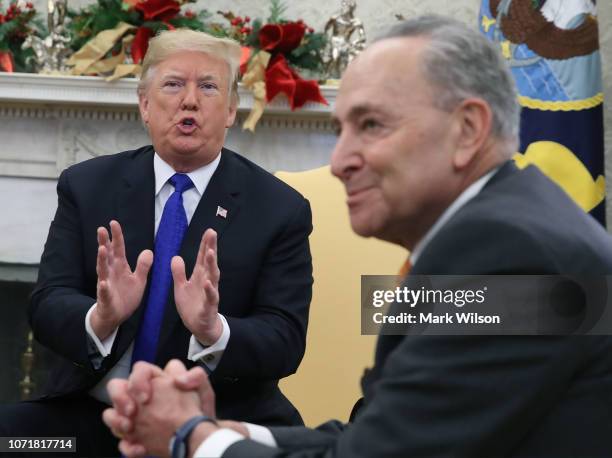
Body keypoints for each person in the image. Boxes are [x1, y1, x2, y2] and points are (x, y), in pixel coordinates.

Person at [103, 15, 612, 458]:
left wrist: (191, 437)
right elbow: (384, 431)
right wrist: (229, 433)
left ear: (467, 129)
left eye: (370, 125)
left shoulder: (510, 257)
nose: (341, 161)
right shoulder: (496, 230)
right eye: (342, 129)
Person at [0, 29, 312, 456]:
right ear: (145, 105)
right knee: (13, 441)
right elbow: (47, 303)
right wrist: (101, 317)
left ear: (231, 110)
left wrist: (212, 330)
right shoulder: (88, 186)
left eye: (208, 86)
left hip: (214, 430)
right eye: (172, 84)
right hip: (94, 421)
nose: (189, 101)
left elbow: (285, 339)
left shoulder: (279, 209)